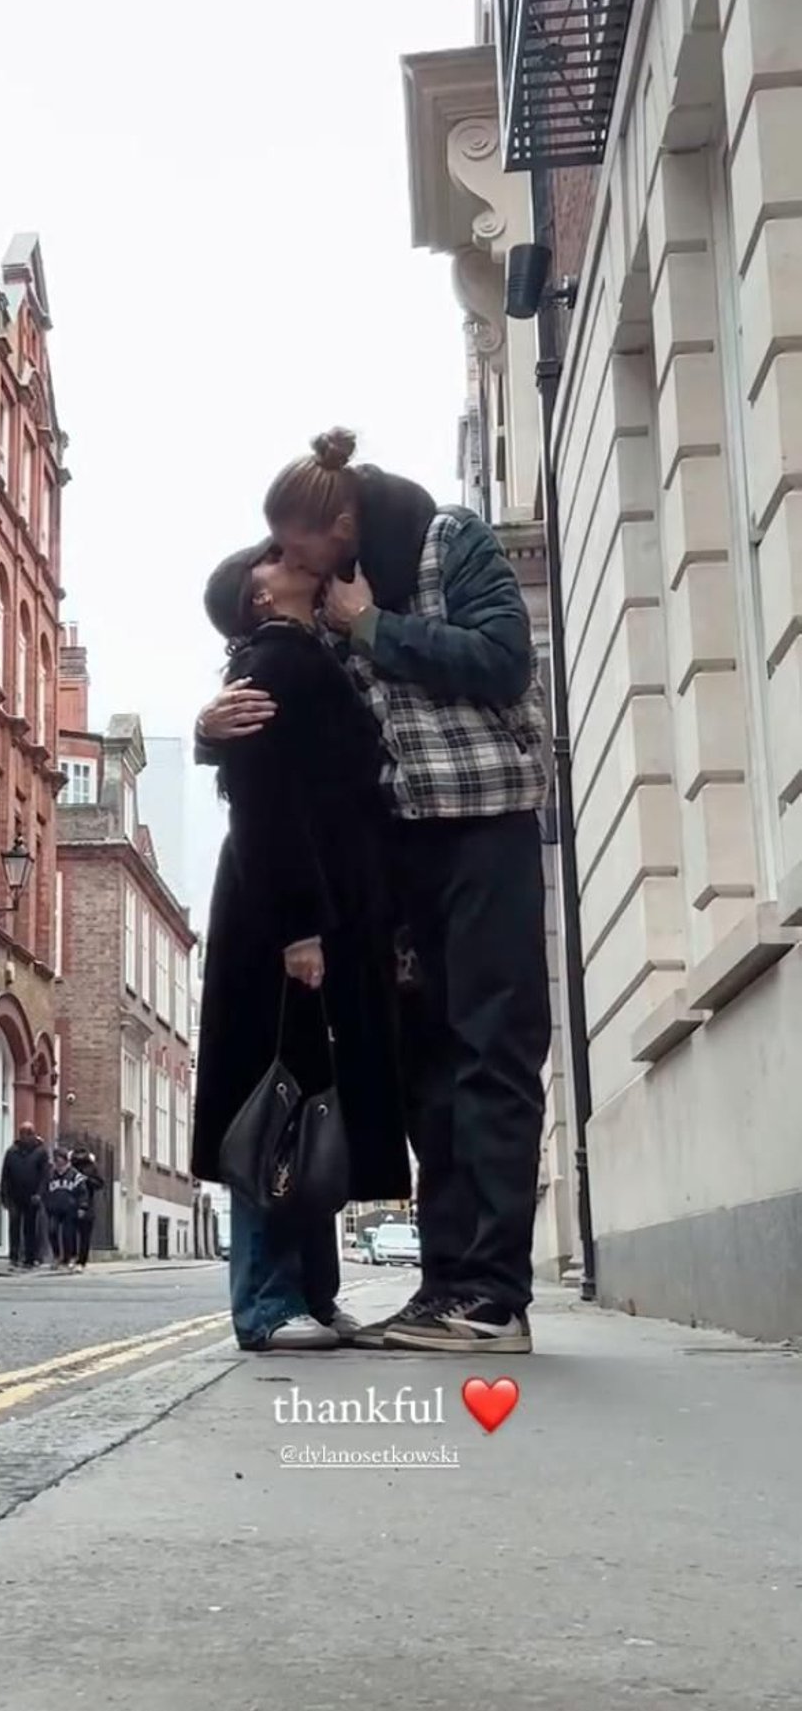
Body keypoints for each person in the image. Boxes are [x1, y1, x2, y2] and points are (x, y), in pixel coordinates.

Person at [199, 428, 550, 1355]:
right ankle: (445, 1288)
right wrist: (208, 728)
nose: (288, 561)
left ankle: (491, 1297)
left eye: (293, 545)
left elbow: (505, 662)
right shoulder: (315, 612)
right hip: (394, 865)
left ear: (342, 527)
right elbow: (280, 727)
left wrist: (375, 630)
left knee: (493, 1055)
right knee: (423, 1072)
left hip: (485, 828)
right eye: (278, 553)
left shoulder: (450, 543)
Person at [191, 538, 410, 1353]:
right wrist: (297, 925)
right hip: (278, 916)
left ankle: (314, 1294)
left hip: (323, 907)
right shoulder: (272, 662)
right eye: (274, 555)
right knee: (274, 1103)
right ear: (257, 595)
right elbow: (261, 800)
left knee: (314, 1103)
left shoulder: (307, 652)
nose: (292, 556)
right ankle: (265, 1302)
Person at [0, 1122, 49, 1270]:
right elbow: (5, 1176)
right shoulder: (11, 1152)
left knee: (30, 1228)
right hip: (14, 1196)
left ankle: (30, 1258)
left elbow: (44, 1176)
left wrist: (39, 1194)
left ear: (33, 1134)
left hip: (32, 1196)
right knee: (14, 1226)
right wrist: (4, 1195)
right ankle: (14, 1257)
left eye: (29, 1133)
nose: (25, 1136)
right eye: (23, 1133)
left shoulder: (40, 1152)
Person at [43, 1148, 88, 1270]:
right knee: (52, 1231)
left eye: (60, 1159)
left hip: (70, 1209)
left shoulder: (75, 1176)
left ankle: (70, 1257)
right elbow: (45, 1190)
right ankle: (57, 1255)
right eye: (56, 1160)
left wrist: (82, 1207)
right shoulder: (50, 1175)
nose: (58, 1163)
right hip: (54, 1209)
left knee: (68, 1234)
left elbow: (83, 1192)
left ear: (65, 1160)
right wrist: (47, 1204)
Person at [70, 1147, 104, 1270]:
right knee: (72, 1233)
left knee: (83, 1234)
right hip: (73, 1204)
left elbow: (99, 1183)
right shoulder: (73, 1168)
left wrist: (87, 1180)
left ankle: (80, 1260)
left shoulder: (90, 1167)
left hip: (85, 1204)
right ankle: (76, 1258)